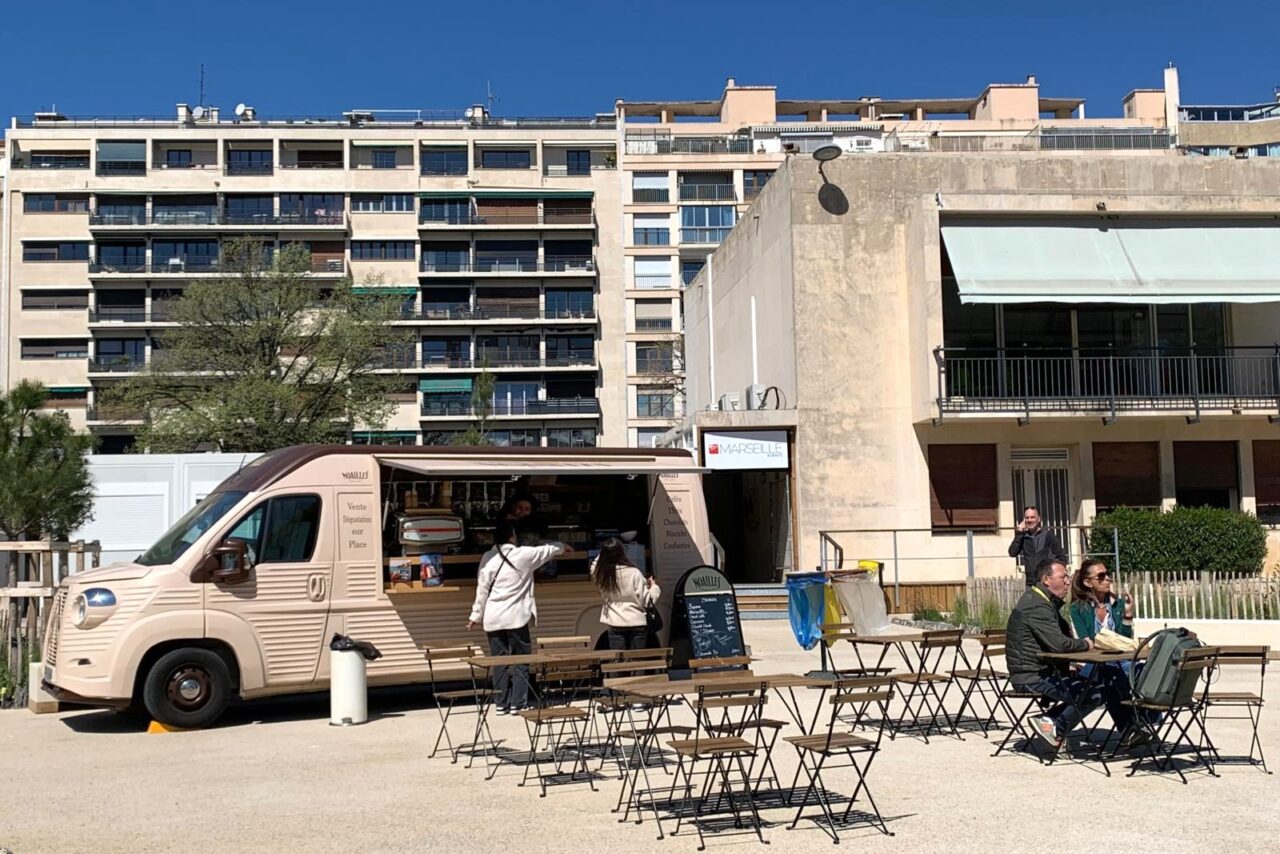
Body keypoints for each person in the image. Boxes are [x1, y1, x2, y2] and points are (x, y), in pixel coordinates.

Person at [1005, 558, 1134, 747]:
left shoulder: (1045, 603)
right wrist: (1087, 644)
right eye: (1063, 577)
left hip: (1047, 671)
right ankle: (1055, 724)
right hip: (1032, 677)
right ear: (1046, 579)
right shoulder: (1037, 606)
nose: (1067, 581)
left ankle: (1130, 730)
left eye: (1067, 577)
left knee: (1107, 675)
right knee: (1093, 693)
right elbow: (1059, 644)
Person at [466, 522, 567, 714]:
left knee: (499, 661)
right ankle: (517, 703)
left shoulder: (488, 558)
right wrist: (563, 547)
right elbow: (548, 550)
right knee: (522, 660)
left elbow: (482, 590)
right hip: (516, 617)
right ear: (512, 536)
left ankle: (501, 703)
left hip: (493, 617)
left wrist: (475, 616)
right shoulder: (524, 554)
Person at [591, 538, 660, 650]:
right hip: (637, 621)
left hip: (615, 621)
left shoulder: (602, 573)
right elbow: (648, 601)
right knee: (638, 661)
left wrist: (605, 551)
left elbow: (594, 564)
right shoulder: (634, 573)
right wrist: (654, 587)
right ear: (622, 553)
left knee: (619, 662)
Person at [1069, 558, 1134, 642]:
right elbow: (1084, 641)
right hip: (1091, 655)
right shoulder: (1078, 608)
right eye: (1101, 576)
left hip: (1119, 654)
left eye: (1107, 574)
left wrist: (1128, 614)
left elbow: (1126, 640)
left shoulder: (1118, 604)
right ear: (1088, 583)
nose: (1107, 578)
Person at [1008, 506, 1068, 588]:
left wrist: (1056, 575)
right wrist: (1019, 534)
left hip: (1047, 583)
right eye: (1027, 518)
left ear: (1039, 519)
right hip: (1030, 583)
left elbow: (1062, 558)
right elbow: (1012, 553)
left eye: (1032, 517)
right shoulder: (1023, 537)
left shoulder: (1048, 536)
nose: (1029, 520)